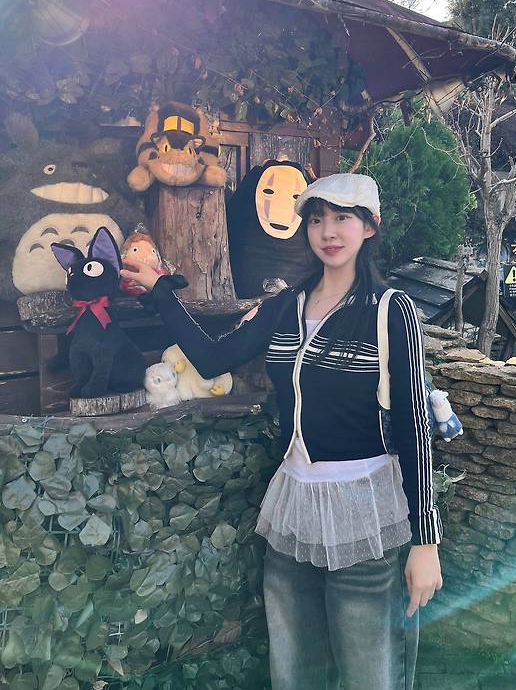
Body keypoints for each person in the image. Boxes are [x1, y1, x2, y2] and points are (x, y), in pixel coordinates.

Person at [121, 173, 442, 690]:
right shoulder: (285, 305)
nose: (328, 231)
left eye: (342, 218)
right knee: (294, 672)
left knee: (370, 675)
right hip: (294, 512)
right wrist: (162, 293)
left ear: (369, 227)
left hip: (363, 515)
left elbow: (413, 423)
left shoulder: (388, 310)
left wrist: (426, 541)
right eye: (316, 219)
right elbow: (213, 358)